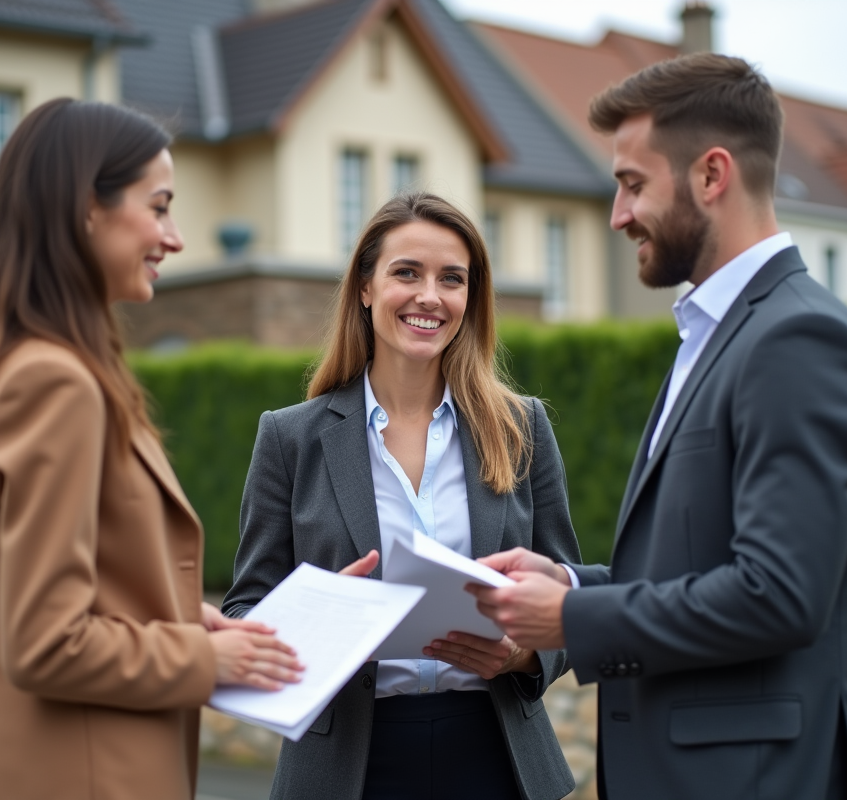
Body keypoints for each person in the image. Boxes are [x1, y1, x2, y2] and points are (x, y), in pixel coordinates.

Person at [471, 54, 847, 800]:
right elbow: (701, 569)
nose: (617, 215)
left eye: (633, 184)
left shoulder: (797, 342)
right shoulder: (720, 332)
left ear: (711, 175)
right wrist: (568, 580)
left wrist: (571, 615)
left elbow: (778, 594)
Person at [0, 98, 302, 800]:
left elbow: (82, 591)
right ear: (86, 208)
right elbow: (46, 643)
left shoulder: (36, 367)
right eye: (158, 207)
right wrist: (205, 658)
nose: (174, 238)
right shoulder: (55, 383)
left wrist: (183, 620)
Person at [222, 192, 581, 800]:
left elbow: (568, 593)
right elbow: (243, 611)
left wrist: (521, 654)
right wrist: (324, 621)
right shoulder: (290, 438)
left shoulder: (523, 429)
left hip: (496, 756)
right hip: (346, 766)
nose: (429, 297)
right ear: (366, 287)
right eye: (406, 273)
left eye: (452, 279)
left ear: (470, 299)